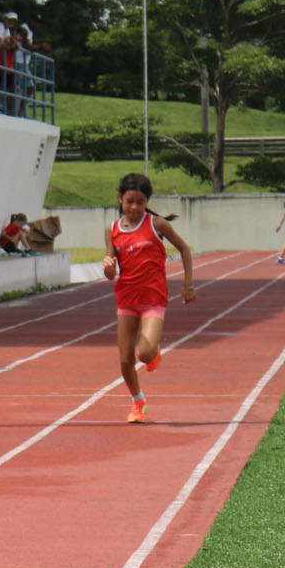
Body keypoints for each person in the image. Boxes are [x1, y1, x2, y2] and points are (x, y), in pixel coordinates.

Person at [103, 172, 196, 425]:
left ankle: (152, 353)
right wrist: (108, 267)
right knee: (124, 360)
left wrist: (188, 284)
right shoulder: (111, 230)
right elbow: (111, 272)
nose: (134, 207)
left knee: (143, 354)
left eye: (140, 202)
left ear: (146, 203)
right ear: (121, 199)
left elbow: (185, 249)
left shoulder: (157, 225)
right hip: (126, 299)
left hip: (153, 298)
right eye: (129, 201)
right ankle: (138, 401)